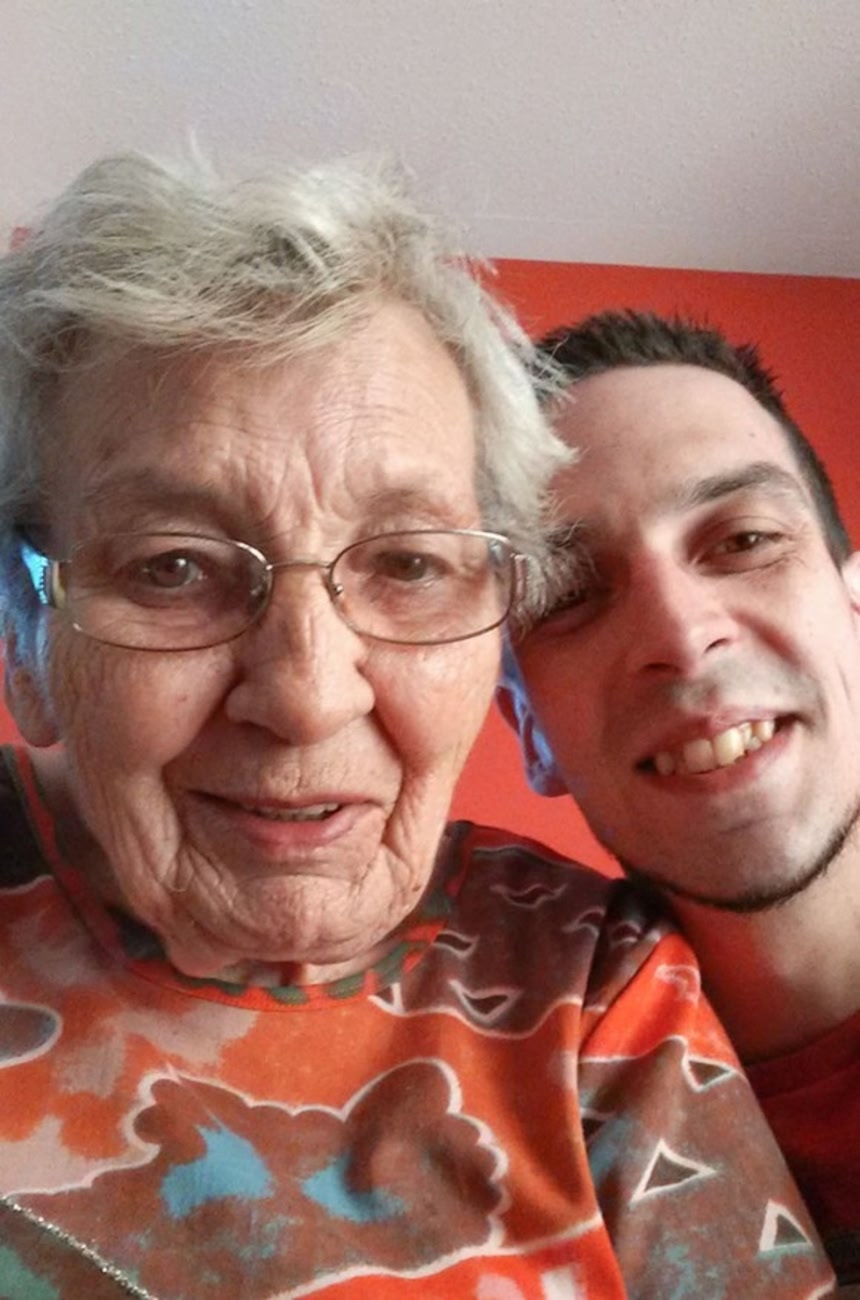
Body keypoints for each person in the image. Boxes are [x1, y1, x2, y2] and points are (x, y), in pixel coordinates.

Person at [0, 163, 832, 1300]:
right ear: (25, 637)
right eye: (174, 566)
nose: (307, 695)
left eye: (405, 563)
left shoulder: (593, 982)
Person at [502, 308, 859, 1289]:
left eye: (743, 538)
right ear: (527, 728)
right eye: (568, 590)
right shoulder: (504, 1115)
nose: (678, 632)